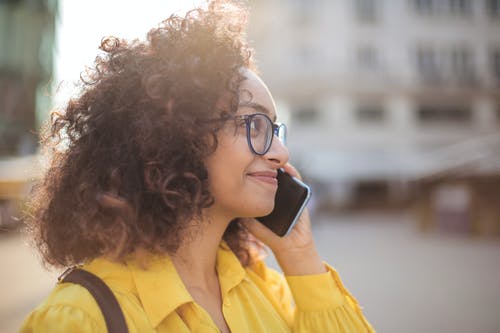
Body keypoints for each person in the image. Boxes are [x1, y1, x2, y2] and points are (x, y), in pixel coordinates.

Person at [21, 1, 375, 332]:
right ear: (176, 136)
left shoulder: (268, 289)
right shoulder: (78, 318)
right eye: (254, 125)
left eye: (275, 130)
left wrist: (300, 256)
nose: (281, 153)